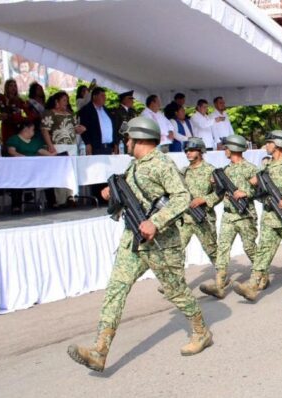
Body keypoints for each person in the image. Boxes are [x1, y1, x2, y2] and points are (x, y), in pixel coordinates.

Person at [67, 116, 212, 372]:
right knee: (115, 290)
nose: (126, 142)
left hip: (161, 243)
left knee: (176, 292)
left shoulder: (161, 164)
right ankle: (99, 350)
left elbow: (182, 197)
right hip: (132, 241)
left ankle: (201, 332)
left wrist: (156, 222)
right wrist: (112, 194)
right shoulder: (135, 166)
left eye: (129, 138)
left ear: (139, 138)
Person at [233, 131, 282, 302]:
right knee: (263, 252)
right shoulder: (266, 167)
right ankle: (252, 286)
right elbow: (258, 189)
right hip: (270, 218)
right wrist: (247, 191)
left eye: (269, 142)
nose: (266, 145)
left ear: (278, 144)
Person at [199, 134, 258, 299]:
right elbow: (218, 194)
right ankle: (219, 284)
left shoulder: (251, 169)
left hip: (245, 215)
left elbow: (261, 191)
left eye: (226, 147)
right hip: (228, 215)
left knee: (250, 247)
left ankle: (261, 274)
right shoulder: (225, 171)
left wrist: (246, 192)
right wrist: (211, 190)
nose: (224, 150)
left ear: (234, 148)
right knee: (223, 248)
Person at [176, 137, 219, 274]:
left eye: (192, 150)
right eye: (187, 150)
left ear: (200, 151)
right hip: (186, 219)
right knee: (177, 249)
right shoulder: (183, 172)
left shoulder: (210, 170)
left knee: (212, 250)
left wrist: (204, 199)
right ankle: (175, 283)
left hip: (203, 217)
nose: (188, 153)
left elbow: (220, 193)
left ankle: (222, 277)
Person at [41, 91, 86, 207]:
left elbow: (75, 129)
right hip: (58, 145)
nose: (66, 103)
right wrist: (50, 145)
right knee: (59, 171)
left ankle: (72, 196)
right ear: (57, 101)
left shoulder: (70, 114)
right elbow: (45, 130)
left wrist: (80, 129)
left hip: (71, 145)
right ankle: (60, 200)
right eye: (64, 100)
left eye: (67, 100)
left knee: (72, 171)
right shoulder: (50, 113)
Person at [6, 121, 57, 212]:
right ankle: (16, 206)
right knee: (16, 181)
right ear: (26, 129)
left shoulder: (35, 142)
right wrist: (23, 157)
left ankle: (52, 202)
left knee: (48, 177)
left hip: (34, 170)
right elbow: (11, 151)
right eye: (32, 130)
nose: (33, 132)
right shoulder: (14, 139)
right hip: (19, 170)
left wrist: (53, 155)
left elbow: (42, 151)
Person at [0, 79, 33, 154]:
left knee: (19, 148)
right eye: (11, 85)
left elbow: (28, 114)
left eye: (15, 86)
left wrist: (25, 115)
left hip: (18, 127)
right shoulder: (1, 97)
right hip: (7, 127)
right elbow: (4, 113)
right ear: (6, 87)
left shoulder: (19, 100)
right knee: (9, 147)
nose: (13, 88)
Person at [77, 87, 116, 155]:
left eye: (105, 96)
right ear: (94, 97)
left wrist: (115, 143)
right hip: (95, 148)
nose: (105, 98)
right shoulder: (86, 110)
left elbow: (112, 127)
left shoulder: (106, 110)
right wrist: (87, 143)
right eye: (102, 95)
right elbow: (83, 129)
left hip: (109, 147)